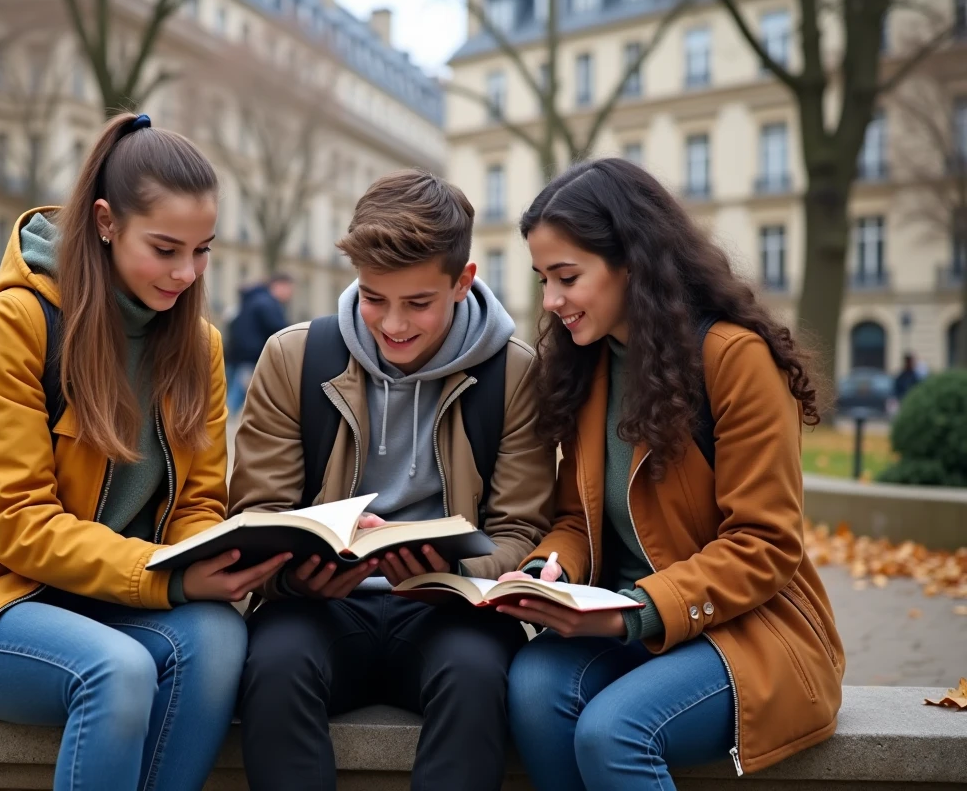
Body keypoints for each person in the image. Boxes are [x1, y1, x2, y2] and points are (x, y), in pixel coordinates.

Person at [0, 113, 292, 791]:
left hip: (116, 603)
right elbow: (17, 522)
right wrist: (166, 579)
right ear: (106, 222)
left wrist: (219, 558)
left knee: (221, 639)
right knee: (119, 670)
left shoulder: (199, 345)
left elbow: (197, 503)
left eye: (202, 251)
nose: (186, 273)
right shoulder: (18, 324)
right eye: (165, 249)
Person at [502, 159, 845, 790]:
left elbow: (765, 545)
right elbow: (576, 517)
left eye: (567, 277)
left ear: (632, 262)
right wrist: (549, 572)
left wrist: (635, 610)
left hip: (748, 631)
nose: (550, 301)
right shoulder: (586, 365)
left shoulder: (735, 359)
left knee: (614, 731)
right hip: (627, 620)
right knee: (531, 686)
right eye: (543, 279)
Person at [230, 169, 556, 791]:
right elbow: (255, 513)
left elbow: (522, 530)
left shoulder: (516, 374)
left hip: (452, 611)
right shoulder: (293, 357)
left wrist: (453, 572)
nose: (394, 324)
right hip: (320, 607)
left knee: (476, 675)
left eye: (418, 303)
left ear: (463, 281)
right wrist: (296, 574)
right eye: (374, 298)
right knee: (273, 667)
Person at [224, 272, 292, 413]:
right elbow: (280, 331)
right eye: (288, 289)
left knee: (234, 394)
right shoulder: (267, 304)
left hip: (237, 356)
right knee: (236, 396)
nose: (290, 294)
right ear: (278, 286)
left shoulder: (252, 301)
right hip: (251, 357)